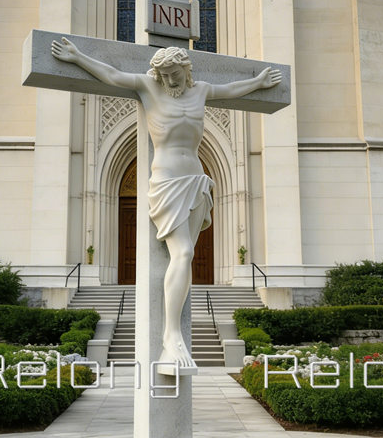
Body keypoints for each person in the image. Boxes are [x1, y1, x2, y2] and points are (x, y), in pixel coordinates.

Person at [52, 37, 281, 370]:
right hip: (167, 182)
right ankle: (170, 335)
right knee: (183, 252)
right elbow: (113, 76)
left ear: (185, 70)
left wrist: (258, 82)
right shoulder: (148, 87)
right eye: (165, 74)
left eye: (175, 73)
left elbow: (232, 89)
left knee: (185, 256)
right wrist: (77, 58)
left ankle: (174, 335)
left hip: (197, 180)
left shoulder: (200, 90)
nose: (170, 79)